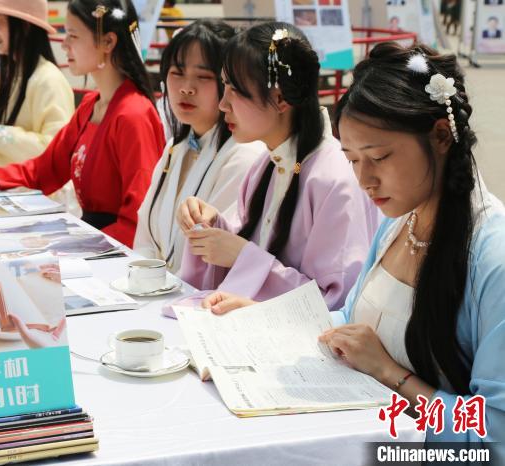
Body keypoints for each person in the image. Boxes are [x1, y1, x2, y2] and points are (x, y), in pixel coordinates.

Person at [207, 43, 505, 452]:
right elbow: (353, 323)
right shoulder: (399, 222)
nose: (364, 180)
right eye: (351, 160)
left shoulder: (492, 258)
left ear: (439, 135)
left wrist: (391, 374)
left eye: (379, 157)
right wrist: (268, 321)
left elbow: (494, 432)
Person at [0, 0, 165, 248]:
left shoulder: (132, 114)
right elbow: (44, 170)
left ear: (108, 42)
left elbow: (136, 221)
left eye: (73, 36)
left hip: (115, 252)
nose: (64, 44)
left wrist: (72, 248)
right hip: (97, 240)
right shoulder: (92, 105)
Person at [175, 22, 378, 311]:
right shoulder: (267, 164)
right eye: (225, 87)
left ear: (280, 99)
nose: (222, 104)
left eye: (235, 89)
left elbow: (337, 303)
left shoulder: (334, 179)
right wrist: (211, 225)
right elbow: (248, 242)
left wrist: (243, 255)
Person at [133, 20, 263, 274]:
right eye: (177, 73)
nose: (186, 88)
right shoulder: (176, 147)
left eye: (203, 77)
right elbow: (146, 235)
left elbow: (207, 253)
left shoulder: (244, 155)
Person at [0, 0, 75, 166]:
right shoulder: (12, 77)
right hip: (2, 183)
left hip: (26, 189)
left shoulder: (49, 80)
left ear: (25, 27)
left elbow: (54, 151)